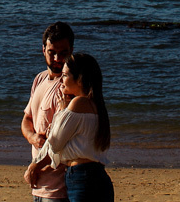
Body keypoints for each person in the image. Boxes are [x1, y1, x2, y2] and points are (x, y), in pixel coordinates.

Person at [24, 53, 113, 202]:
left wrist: (63, 110)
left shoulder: (78, 103)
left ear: (79, 79)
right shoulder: (96, 105)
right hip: (98, 176)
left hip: (82, 177)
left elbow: (55, 143)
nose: (61, 81)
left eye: (65, 75)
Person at [23, 22, 74, 200]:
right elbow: (27, 119)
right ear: (43, 50)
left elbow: (60, 141)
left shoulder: (69, 88)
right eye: (52, 52)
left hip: (58, 188)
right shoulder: (40, 79)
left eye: (63, 53)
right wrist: (32, 137)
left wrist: (34, 167)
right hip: (38, 184)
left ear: (71, 51)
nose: (57, 59)